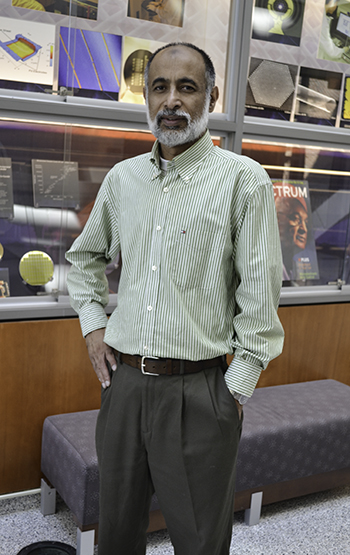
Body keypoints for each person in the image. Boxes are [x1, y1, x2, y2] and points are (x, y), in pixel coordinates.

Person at [66, 42, 284, 555]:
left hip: (202, 390)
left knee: (200, 539)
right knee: (115, 532)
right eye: (158, 87)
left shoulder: (243, 180)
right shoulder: (124, 180)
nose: (171, 101)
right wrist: (94, 326)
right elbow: (84, 259)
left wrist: (235, 388)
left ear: (211, 95)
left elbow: (260, 290)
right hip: (124, 388)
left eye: (186, 87)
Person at [275, 195, 309, 280]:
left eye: (306, 223)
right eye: (296, 219)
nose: (304, 229)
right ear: (277, 220)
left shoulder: (298, 267)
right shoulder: (266, 267)